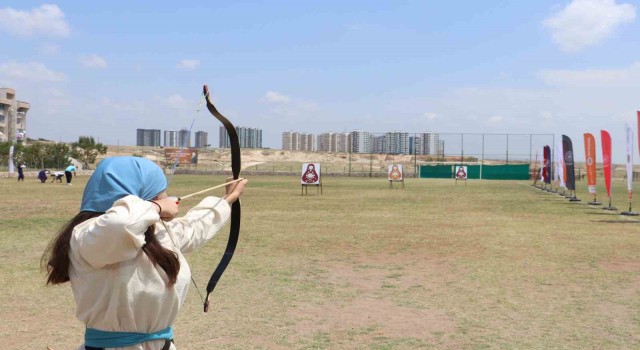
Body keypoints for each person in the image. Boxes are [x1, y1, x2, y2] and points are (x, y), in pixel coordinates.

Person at [41, 156, 247, 350]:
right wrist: (156, 207)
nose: (167, 196)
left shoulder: (156, 233)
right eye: (161, 191)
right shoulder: (89, 236)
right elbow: (121, 222)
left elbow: (193, 227)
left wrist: (227, 198)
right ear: (143, 196)